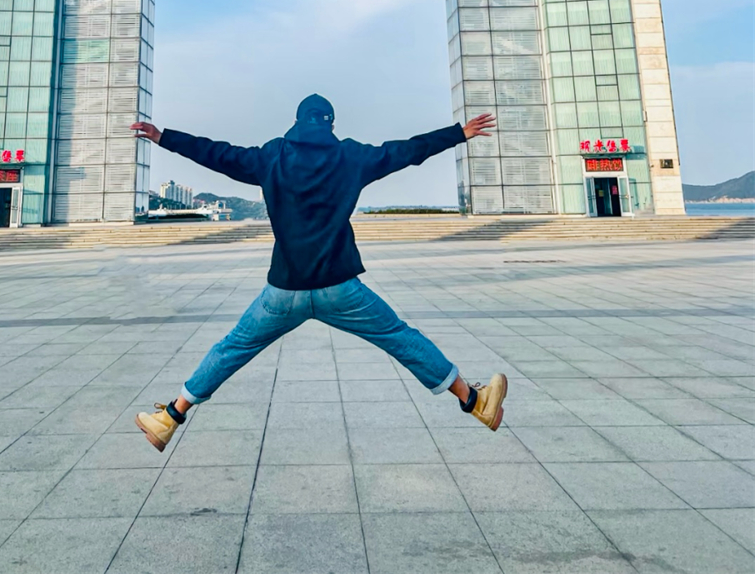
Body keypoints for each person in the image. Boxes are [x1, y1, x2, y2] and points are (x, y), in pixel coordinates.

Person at [130, 95, 507, 451]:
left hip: (284, 290)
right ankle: (475, 402)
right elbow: (406, 151)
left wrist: (165, 138)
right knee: (400, 338)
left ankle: (170, 418)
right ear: (331, 124)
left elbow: (217, 154)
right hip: (340, 289)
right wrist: (458, 133)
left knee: (232, 348)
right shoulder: (350, 157)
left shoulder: (273, 155)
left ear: (296, 122)